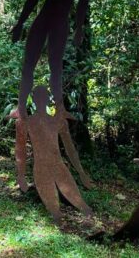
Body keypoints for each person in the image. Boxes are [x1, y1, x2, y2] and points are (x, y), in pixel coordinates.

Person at [18, 86, 93, 221]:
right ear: (34, 101)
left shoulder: (58, 121)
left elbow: (70, 149)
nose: (41, 102)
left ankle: (86, 221)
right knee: (54, 210)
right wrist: (21, 175)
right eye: (38, 98)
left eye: (44, 98)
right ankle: (58, 219)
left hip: (59, 165)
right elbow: (20, 150)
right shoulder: (26, 122)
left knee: (83, 206)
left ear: (49, 101)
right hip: (40, 167)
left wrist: (81, 173)